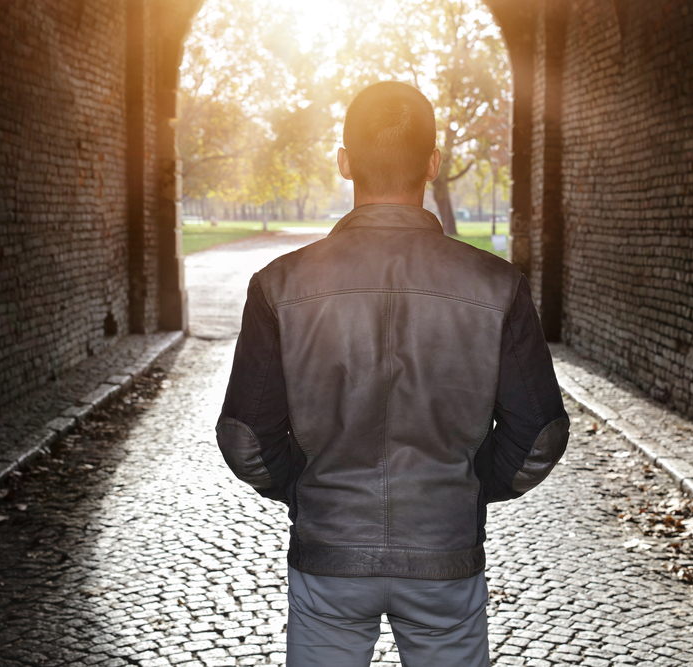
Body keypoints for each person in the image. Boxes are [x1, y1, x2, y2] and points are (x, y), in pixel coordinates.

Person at [217, 81, 568, 667]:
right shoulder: (496, 284)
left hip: (328, 550)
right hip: (444, 551)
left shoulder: (278, 285)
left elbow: (245, 438)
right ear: (432, 164)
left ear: (345, 162)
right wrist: (471, 484)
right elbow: (540, 435)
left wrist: (306, 486)